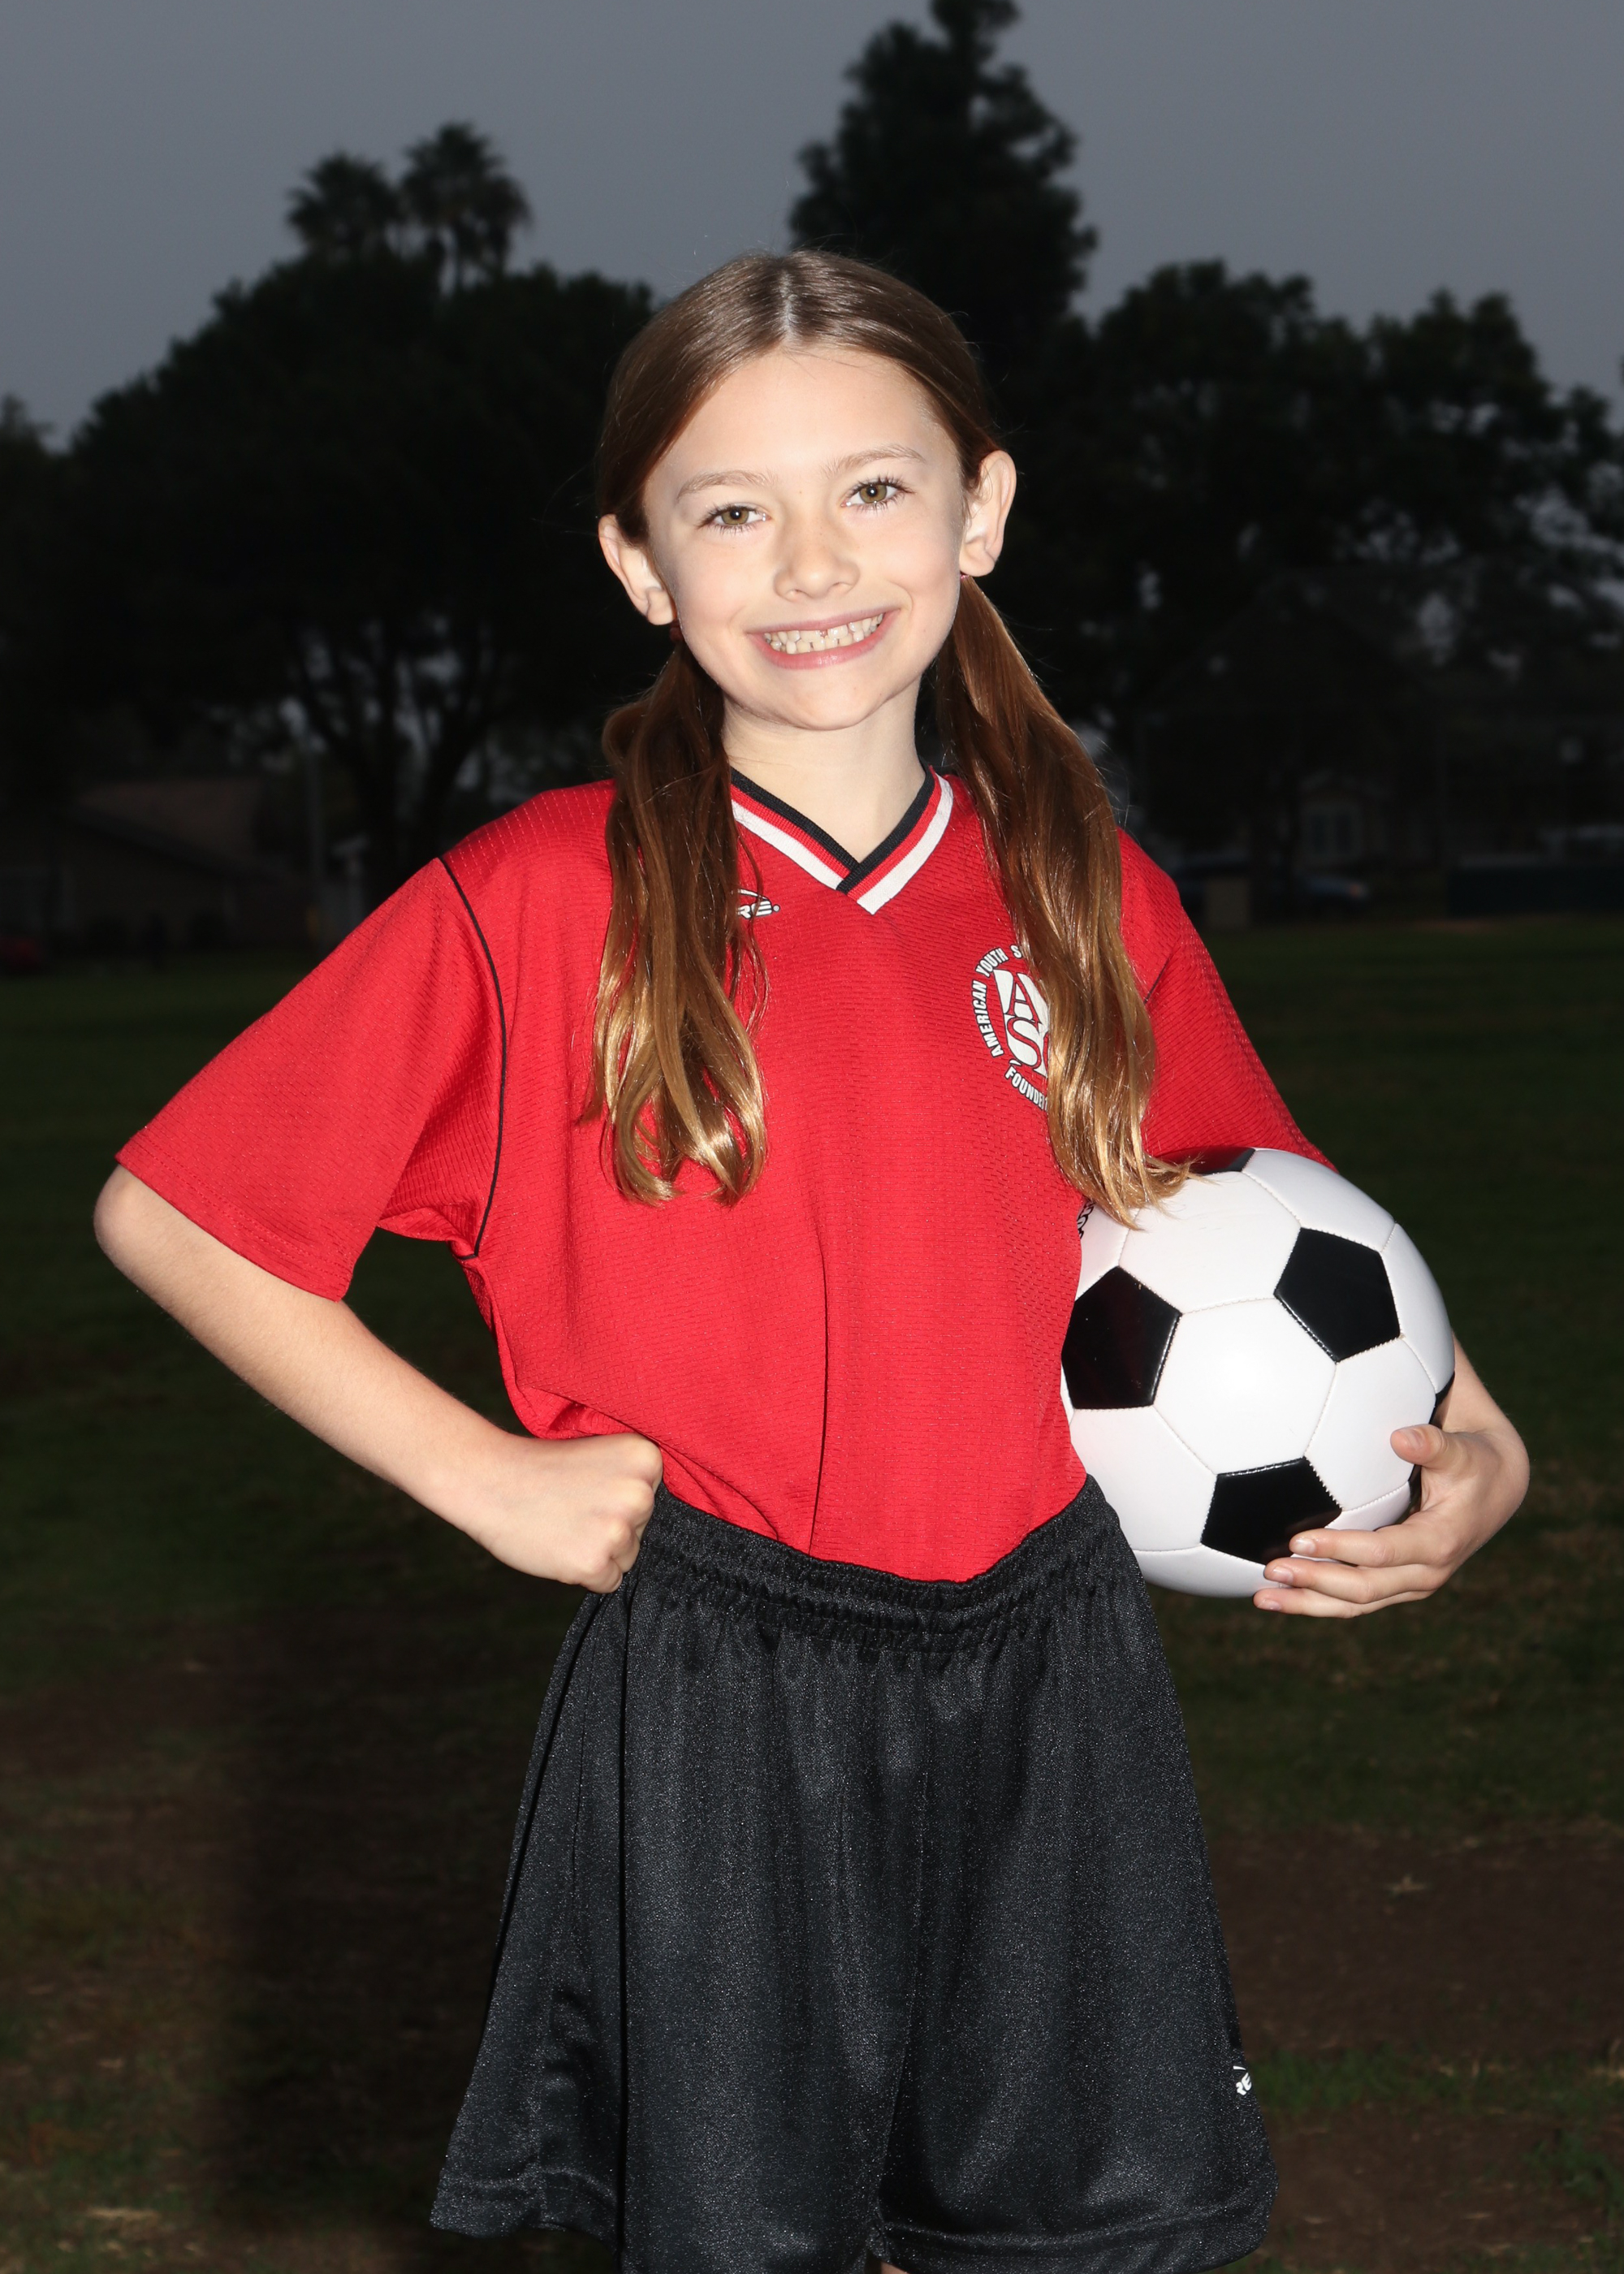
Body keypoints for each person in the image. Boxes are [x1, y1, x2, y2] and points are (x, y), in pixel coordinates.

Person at [95, 253, 1527, 2274]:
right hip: (721, 1680)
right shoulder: (542, 893)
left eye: (872, 488)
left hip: (1053, 1664)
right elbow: (176, 1209)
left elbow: (1275, 1217)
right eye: (729, 509)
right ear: (639, 562)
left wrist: (1483, 1452)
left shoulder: (1084, 889)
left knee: (1080, 2238)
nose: (811, 562)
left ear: (980, 508)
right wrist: (481, 1475)